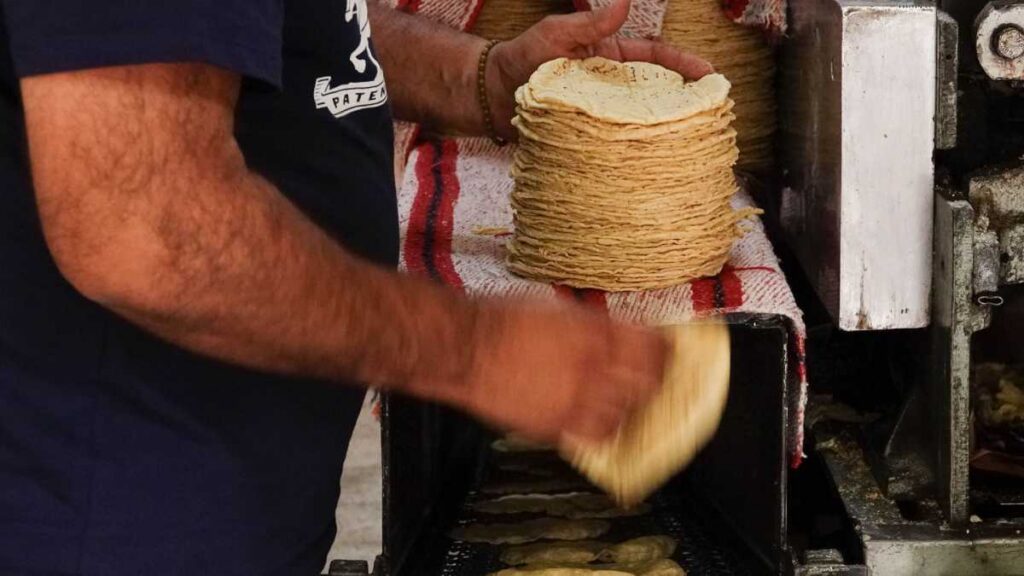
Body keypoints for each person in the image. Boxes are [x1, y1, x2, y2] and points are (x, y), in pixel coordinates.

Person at [0, 0, 712, 573]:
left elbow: (297, 23)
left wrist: (484, 79)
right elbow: (149, 225)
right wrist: (475, 349)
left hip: (213, 487)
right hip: (109, 513)